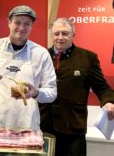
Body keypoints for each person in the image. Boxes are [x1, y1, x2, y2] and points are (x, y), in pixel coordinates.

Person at [0, 5, 57, 130]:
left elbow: (52, 92)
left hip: (25, 120)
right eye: (17, 22)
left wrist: (37, 93)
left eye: (27, 24)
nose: (21, 28)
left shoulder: (40, 53)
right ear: (9, 23)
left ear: (31, 26)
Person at [39, 18, 114, 156]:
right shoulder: (41, 56)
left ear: (74, 34)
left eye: (65, 33)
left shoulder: (88, 58)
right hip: (44, 128)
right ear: (52, 35)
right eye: (56, 33)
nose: (60, 37)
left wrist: (108, 101)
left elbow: (103, 88)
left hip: (73, 129)